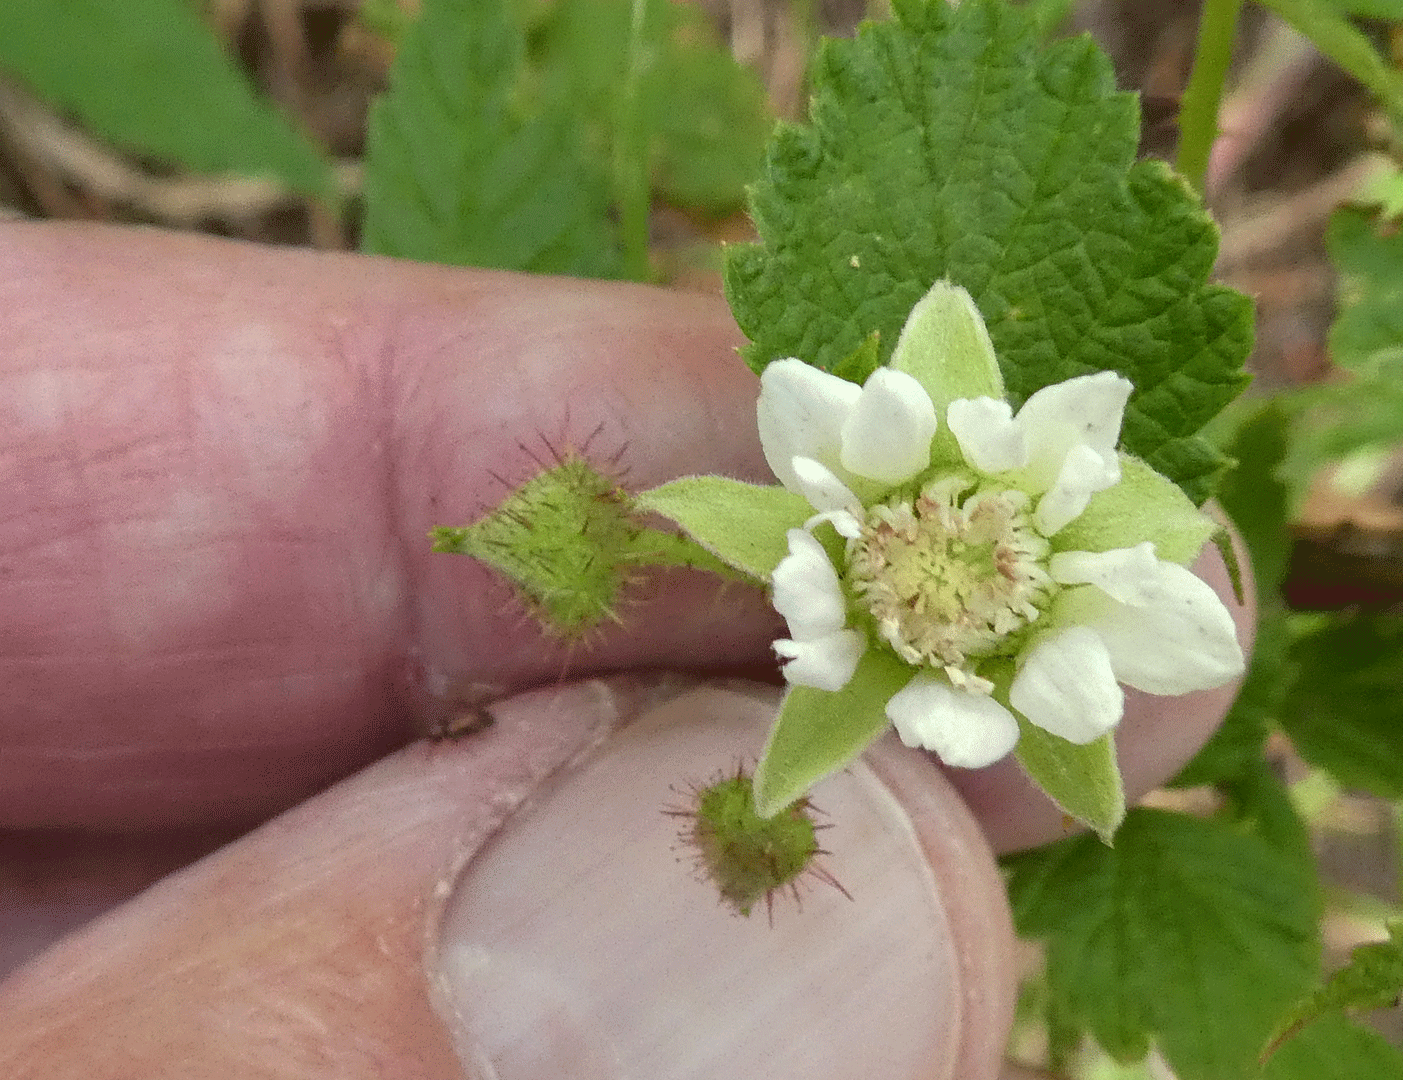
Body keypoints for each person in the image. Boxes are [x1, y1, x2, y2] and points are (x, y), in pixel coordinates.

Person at [0, 222, 1253, 1079]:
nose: (944, 573)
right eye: (930, 537)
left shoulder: (1053, 620)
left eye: (974, 560)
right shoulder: (837, 540)